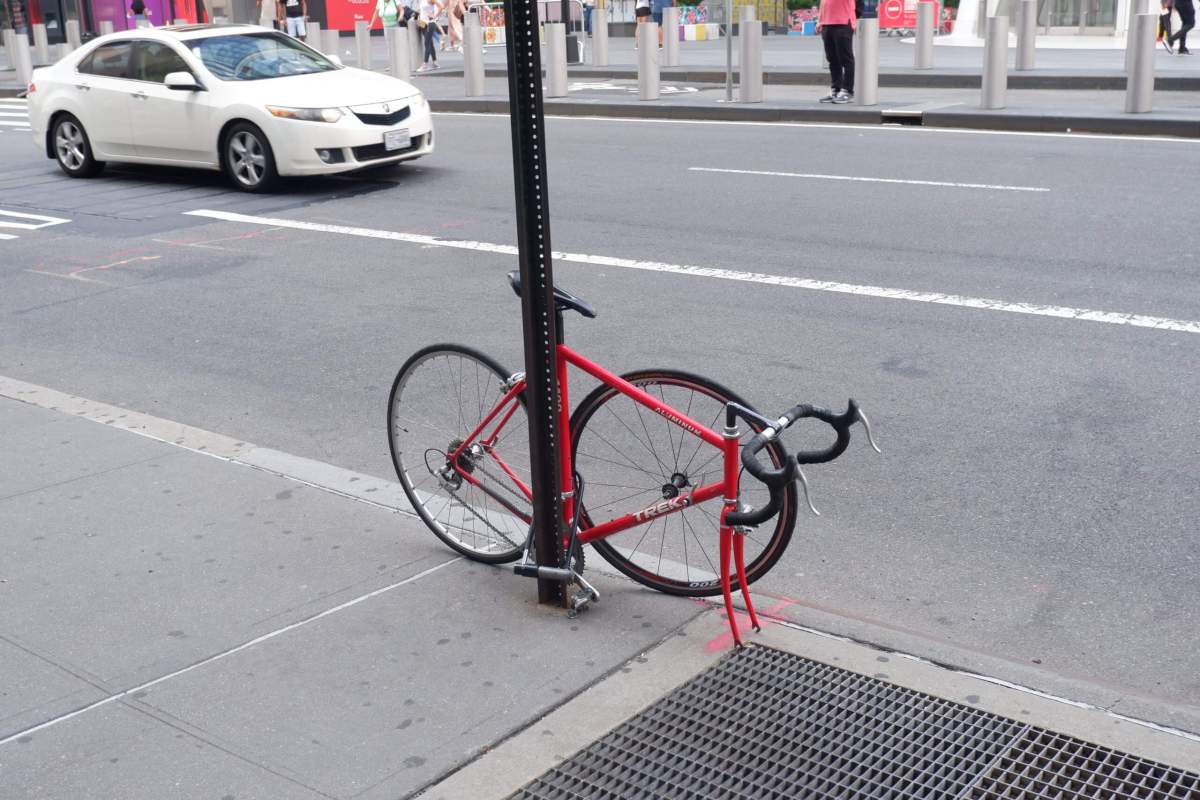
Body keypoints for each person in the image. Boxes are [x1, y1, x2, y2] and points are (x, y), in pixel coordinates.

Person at [816, 0, 856, 103]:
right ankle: (836, 89)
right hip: (827, 23)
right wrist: (820, 21)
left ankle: (847, 91)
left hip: (843, 22)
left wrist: (853, 19)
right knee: (832, 59)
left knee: (846, 59)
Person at [417, 0, 441, 70]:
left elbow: (441, 7)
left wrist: (434, 16)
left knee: (427, 43)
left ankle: (425, 64)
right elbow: (422, 11)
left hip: (430, 23)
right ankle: (435, 63)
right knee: (430, 43)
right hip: (422, 23)